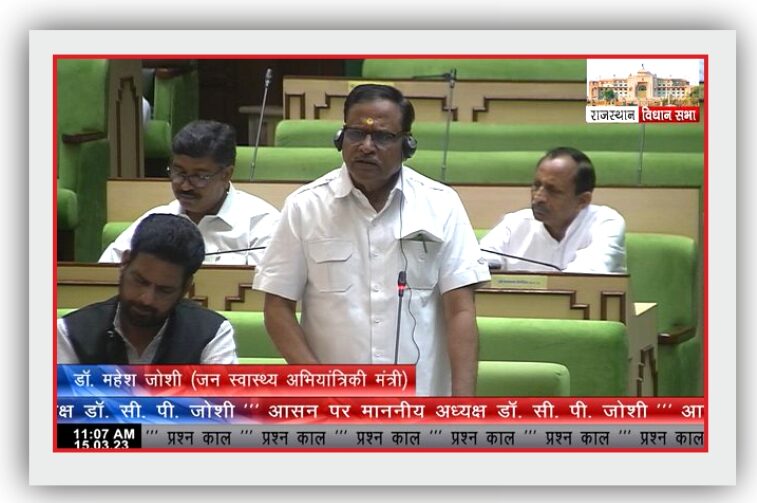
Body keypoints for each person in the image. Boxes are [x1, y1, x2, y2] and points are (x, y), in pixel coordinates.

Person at [252, 84, 490, 396]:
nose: (366, 146)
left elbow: (460, 311)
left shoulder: (441, 204)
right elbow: (277, 308)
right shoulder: (305, 206)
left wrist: (462, 407)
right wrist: (319, 386)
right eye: (356, 134)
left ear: (407, 145)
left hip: (421, 400)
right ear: (340, 138)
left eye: (382, 137)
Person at [59, 214, 237, 364]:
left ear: (185, 288)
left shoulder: (212, 334)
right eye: (140, 281)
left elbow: (223, 395)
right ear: (124, 262)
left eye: (164, 290)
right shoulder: (71, 333)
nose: (147, 299)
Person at [100, 120, 280, 265]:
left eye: (199, 176)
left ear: (226, 175)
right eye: (179, 173)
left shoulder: (261, 224)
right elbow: (106, 271)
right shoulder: (157, 220)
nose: (185, 186)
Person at [480, 146, 627, 273]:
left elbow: (587, 277)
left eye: (553, 190)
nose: (538, 197)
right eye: (536, 185)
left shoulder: (606, 223)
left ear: (582, 200)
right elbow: (479, 263)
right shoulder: (514, 223)